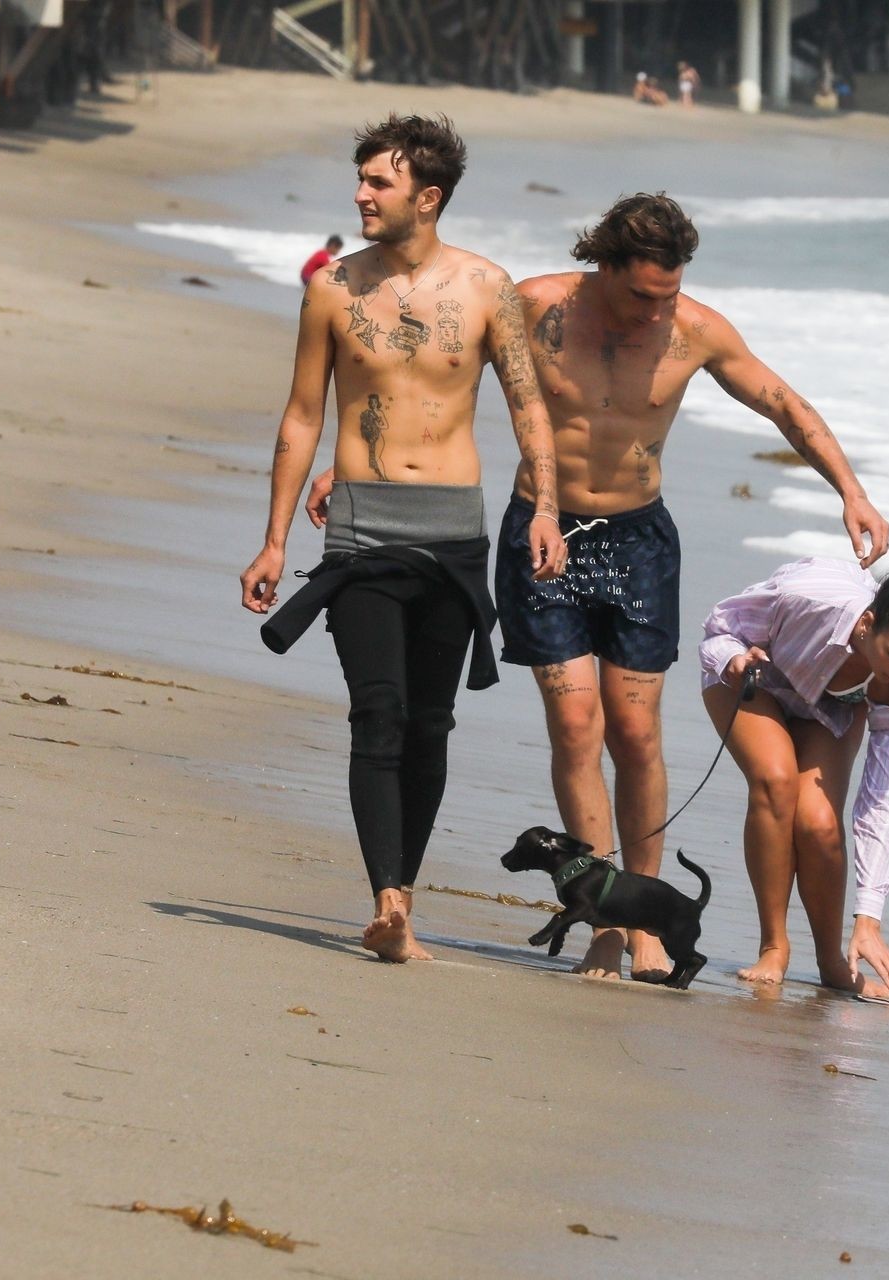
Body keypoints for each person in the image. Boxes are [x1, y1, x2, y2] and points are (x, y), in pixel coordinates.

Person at [310, 193, 889, 981]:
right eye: (643, 294)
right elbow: (427, 381)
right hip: (543, 529)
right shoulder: (534, 306)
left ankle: (643, 918)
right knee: (577, 723)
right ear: (605, 265)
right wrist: (354, 465)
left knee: (637, 733)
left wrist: (851, 491)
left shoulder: (696, 329)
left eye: (669, 294)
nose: (657, 311)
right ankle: (606, 924)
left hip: (638, 542)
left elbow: (784, 404)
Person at [240, 114, 565, 964]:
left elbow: (528, 406)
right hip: (361, 533)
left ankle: (402, 895)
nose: (360, 195)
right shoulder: (332, 289)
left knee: (430, 724)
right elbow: (302, 416)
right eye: (360, 180)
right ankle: (387, 897)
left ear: (428, 197)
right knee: (377, 713)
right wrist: (275, 541)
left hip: (454, 535)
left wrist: (545, 508)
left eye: (378, 182)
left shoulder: (487, 289)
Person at [701, 559, 889, 998]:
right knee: (776, 781)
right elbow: (720, 628)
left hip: (827, 710)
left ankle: (832, 961)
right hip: (754, 679)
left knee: (819, 824)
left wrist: (868, 918)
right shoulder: (806, 600)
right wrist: (733, 660)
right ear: (867, 625)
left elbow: (886, 798)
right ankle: (773, 946)